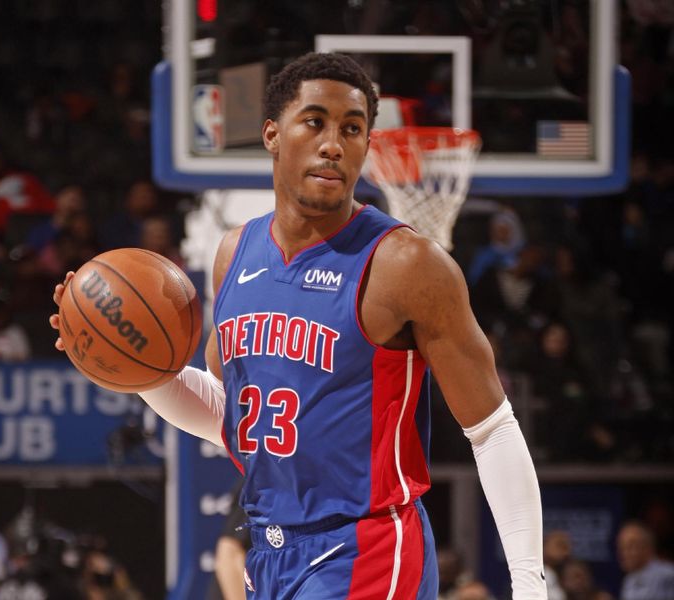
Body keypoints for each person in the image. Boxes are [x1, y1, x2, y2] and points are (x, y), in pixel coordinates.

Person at [51, 52, 546, 598]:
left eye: (353, 129)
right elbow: (230, 418)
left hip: (369, 549)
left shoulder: (407, 265)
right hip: (270, 552)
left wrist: (528, 583)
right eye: (315, 122)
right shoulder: (234, 254)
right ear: (272, 134)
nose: (334, 143)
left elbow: (493, 428)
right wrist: (131, 366)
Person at [616, 520, 674, 600]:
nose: (624, 553)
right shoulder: (629, 580)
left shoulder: (669, 575)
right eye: (621, 548)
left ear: (647, 547)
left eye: (630, 547)